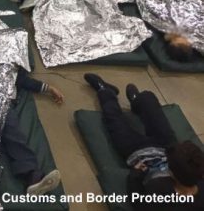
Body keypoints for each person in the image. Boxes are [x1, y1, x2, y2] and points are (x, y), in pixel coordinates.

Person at [83, 73, 204, 210]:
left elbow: (137, 200)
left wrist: (135, 175)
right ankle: (136, 101)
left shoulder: (159, 195)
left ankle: (105, 91)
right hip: (166, 144)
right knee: (148, 99)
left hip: (137, 152)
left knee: (114, 120)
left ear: (172, 173)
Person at [0, 70, 65, 196]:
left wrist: (49, 88)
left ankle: (33, 177)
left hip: (1, 100)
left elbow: (22, 80)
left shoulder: (10, 64)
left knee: (13, 134)